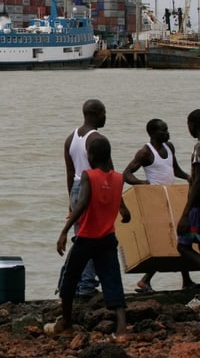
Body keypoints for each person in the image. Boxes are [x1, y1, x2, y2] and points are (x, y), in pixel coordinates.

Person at [48, 138, 131, 342]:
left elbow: (82, 202)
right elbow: (123, 209)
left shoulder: (89, 176)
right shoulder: (119, 178)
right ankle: (121, 330)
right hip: (107, 238)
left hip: (86, 238)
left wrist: (64, 231)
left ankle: (66, 323)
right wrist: (126, 213)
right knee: (112, 282)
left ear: (91, 157)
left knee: (69, 280)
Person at [123, 118, 196, 293]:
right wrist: (142, 183)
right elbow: (126, 174)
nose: (167, 132)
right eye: (164, 130)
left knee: (180, 239)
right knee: (166, 242)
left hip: (169, 197)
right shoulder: (145, 153)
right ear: (153, 133)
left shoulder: (169, 147)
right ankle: (145, 280)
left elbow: (174, 169)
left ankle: (185, 280)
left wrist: (188, 177)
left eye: (167, 129)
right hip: (154, 201)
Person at [59, 99, 108, 298]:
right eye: (104, 112)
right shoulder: (96, 139)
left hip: (77, 189)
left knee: (82, 238)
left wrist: (72, 201)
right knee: (93, 238)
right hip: (92, 188)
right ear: (95, 113)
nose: (106, 117)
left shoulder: (71, 138)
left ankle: (70, 283)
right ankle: (86, 285)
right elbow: (106, 172)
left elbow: (70, 173)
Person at [177, 110, 200, 280]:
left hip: (198, 207)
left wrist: (185, 214)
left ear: (193, 125)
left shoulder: (199, 147)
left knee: (183, 246)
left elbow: (198, 182)